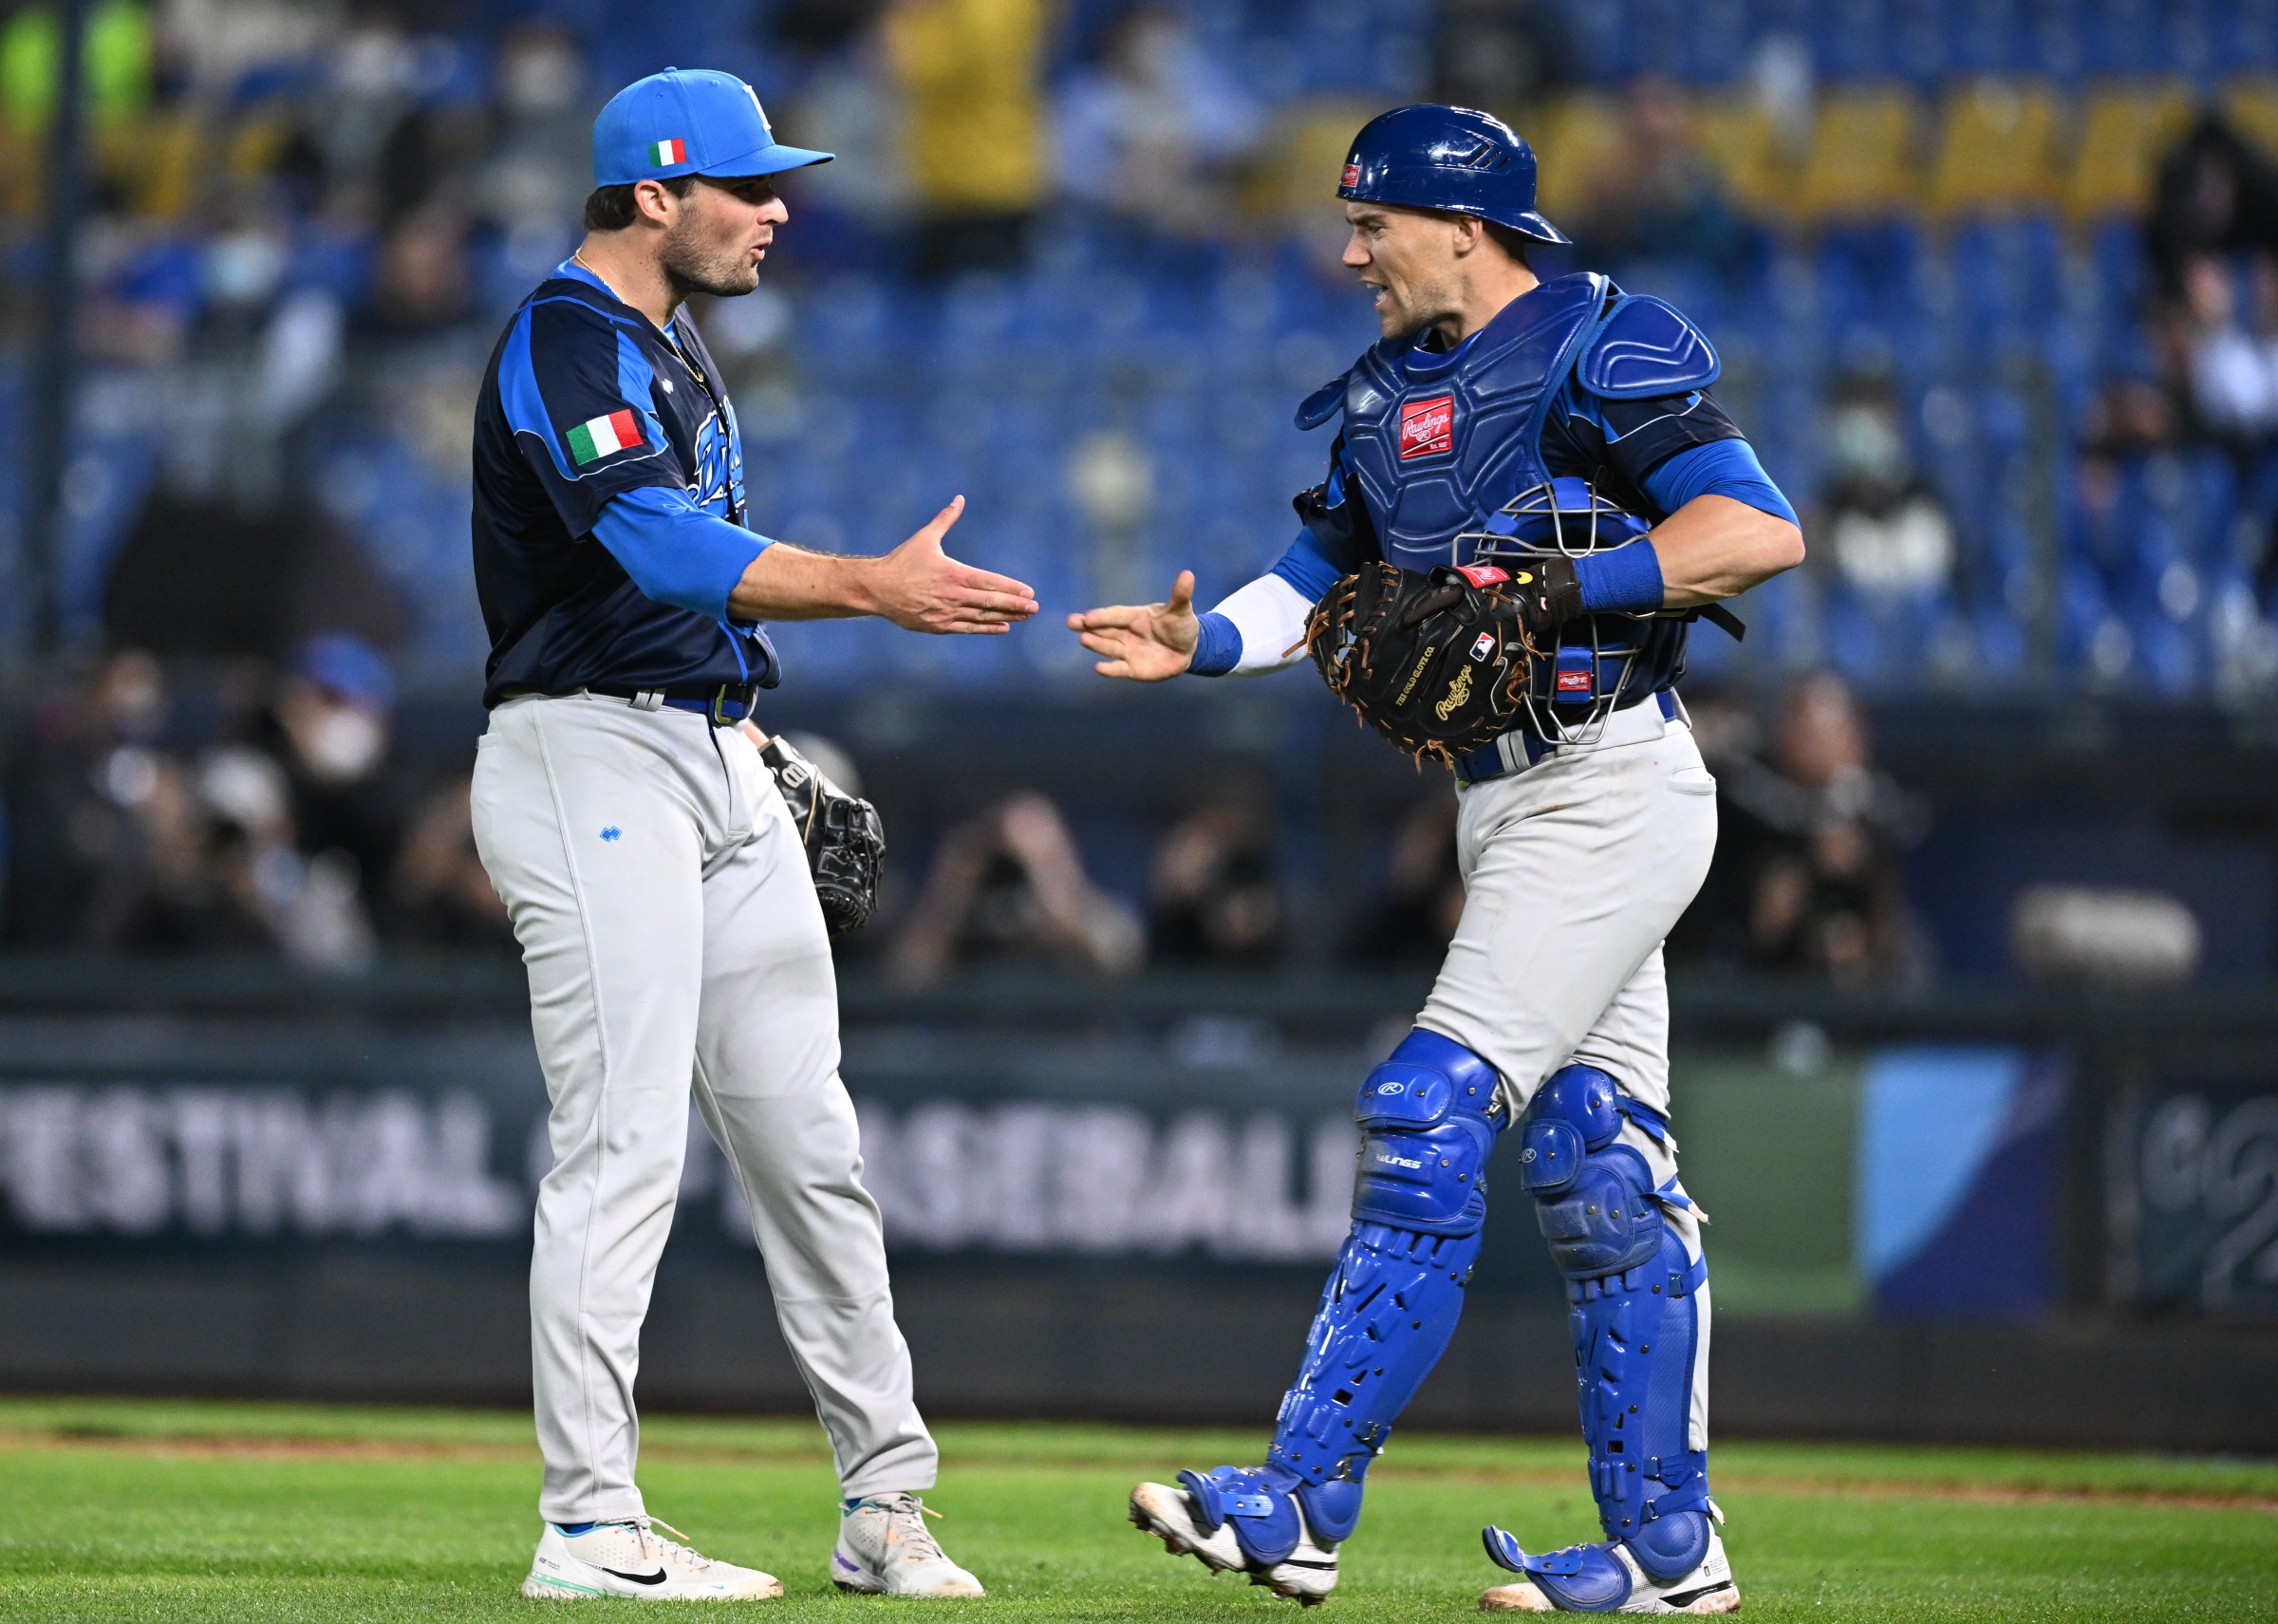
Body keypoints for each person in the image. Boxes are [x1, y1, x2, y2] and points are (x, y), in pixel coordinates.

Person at [1068, 105, 1802, 1613]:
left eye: (1372, 225)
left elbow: (1756, 531)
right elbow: (1313, 576)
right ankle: (1669, 1554)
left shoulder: (1604, 340)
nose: (1350, 253)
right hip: (1504, 801)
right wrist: (1201, 642)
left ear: (1463, 225)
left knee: (1430, 1105)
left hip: (1611, 779)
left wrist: (1554, 592)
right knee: (1601, 1167)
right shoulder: (1384, 391)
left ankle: (1301, 1498)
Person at [466, 68, 1036, 1603]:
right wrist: (869, 585)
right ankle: (589, 1524)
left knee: (811, 1147)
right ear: (656, 194)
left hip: (711, 751)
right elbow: (648, 540)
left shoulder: (674, 344)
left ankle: (885, 1506)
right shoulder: (563, 336)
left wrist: (748, 723)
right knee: (623, 1143)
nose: (781, 207)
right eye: (749, 184)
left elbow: (677, 583)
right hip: (587, 753)